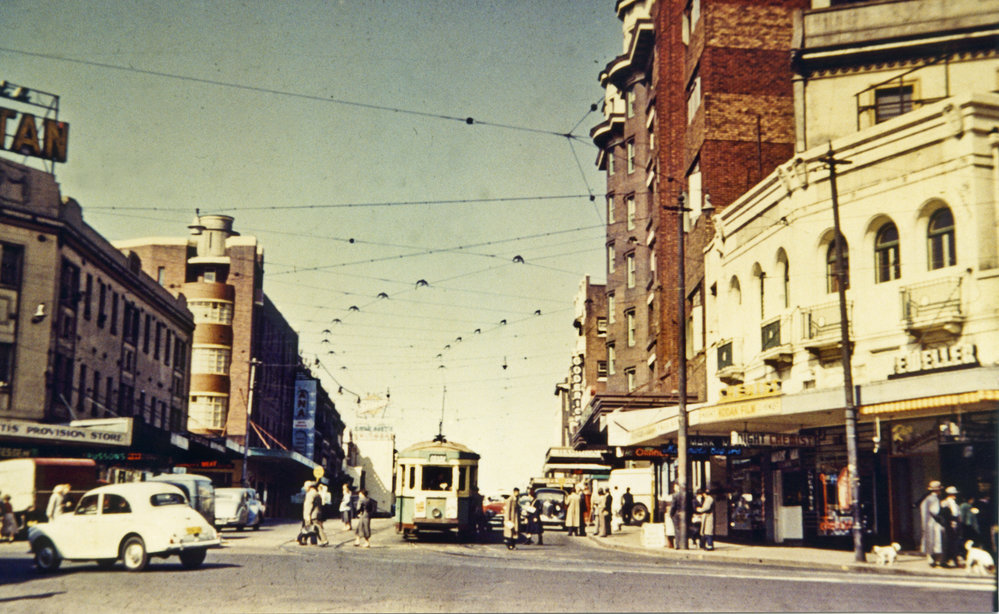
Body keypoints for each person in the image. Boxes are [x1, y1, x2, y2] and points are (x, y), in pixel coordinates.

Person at [917, 480, 945, 567]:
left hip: (927, 523)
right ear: (938, 490)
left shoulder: (926, 499)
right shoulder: (935, 499)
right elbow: (935, 511)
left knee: (929, 540)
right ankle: (937, 560)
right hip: (934, 523)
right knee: (937, 541)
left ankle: (930, 558)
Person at [940, 486, 961, 567]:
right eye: (954, 494)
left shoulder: (953, 503)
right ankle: (946, 560)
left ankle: (953, 559)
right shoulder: (946, 503)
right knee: (949, 543)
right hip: (949, 523)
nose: (955, 496)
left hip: (954, 523)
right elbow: (948, 514)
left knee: (953, 543)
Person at [302, 481, 329, 547]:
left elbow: (309, 505)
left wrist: (307, 515)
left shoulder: (310, 494)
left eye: (305, 487)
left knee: (315, 527)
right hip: (316, 513)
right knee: (309, 527)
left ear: (309, 487)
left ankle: (324, 540)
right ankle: (307, 540)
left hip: (313, 514)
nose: (305, 488)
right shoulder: (316, 493)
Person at [669, 484, 685, 550]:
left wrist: (671, 514)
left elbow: (673, 506)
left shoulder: (675, 495)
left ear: (677, 486)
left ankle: (678, 545)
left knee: (677, 529)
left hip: (676, 514)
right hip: (684, 514)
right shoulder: (685, 494)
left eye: (674, 486)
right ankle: (683, 544)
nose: (674, 487)